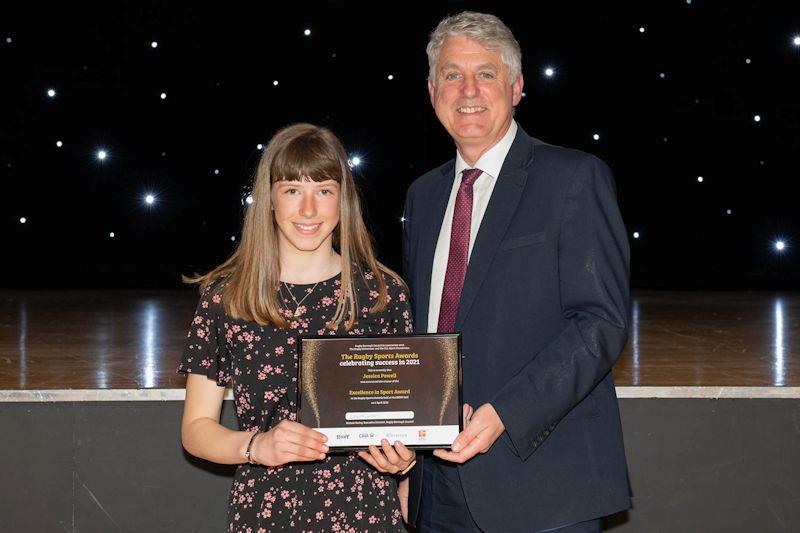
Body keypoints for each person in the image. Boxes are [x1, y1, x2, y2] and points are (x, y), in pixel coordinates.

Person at [401, 11, 632, 532]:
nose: (468, 90)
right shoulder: (424, 195)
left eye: (486, 73)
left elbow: (601, 324)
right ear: (432, 89)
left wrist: (503, 413)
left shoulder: (573, 178)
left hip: (542, 484)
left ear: (517, 86)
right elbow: (424, 334)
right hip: (437, 489)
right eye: (452, 75)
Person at [178, 123, 416, 532]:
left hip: (366, 513)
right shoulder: (226, 298)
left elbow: (408, 421)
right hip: (266, 515)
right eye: (292, 190)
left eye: (323, 190)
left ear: (343, 200)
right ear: (269, 200)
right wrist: (256, 446)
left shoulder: (382, 294)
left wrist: (405, 460)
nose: (308, 210)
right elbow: (196, 431)